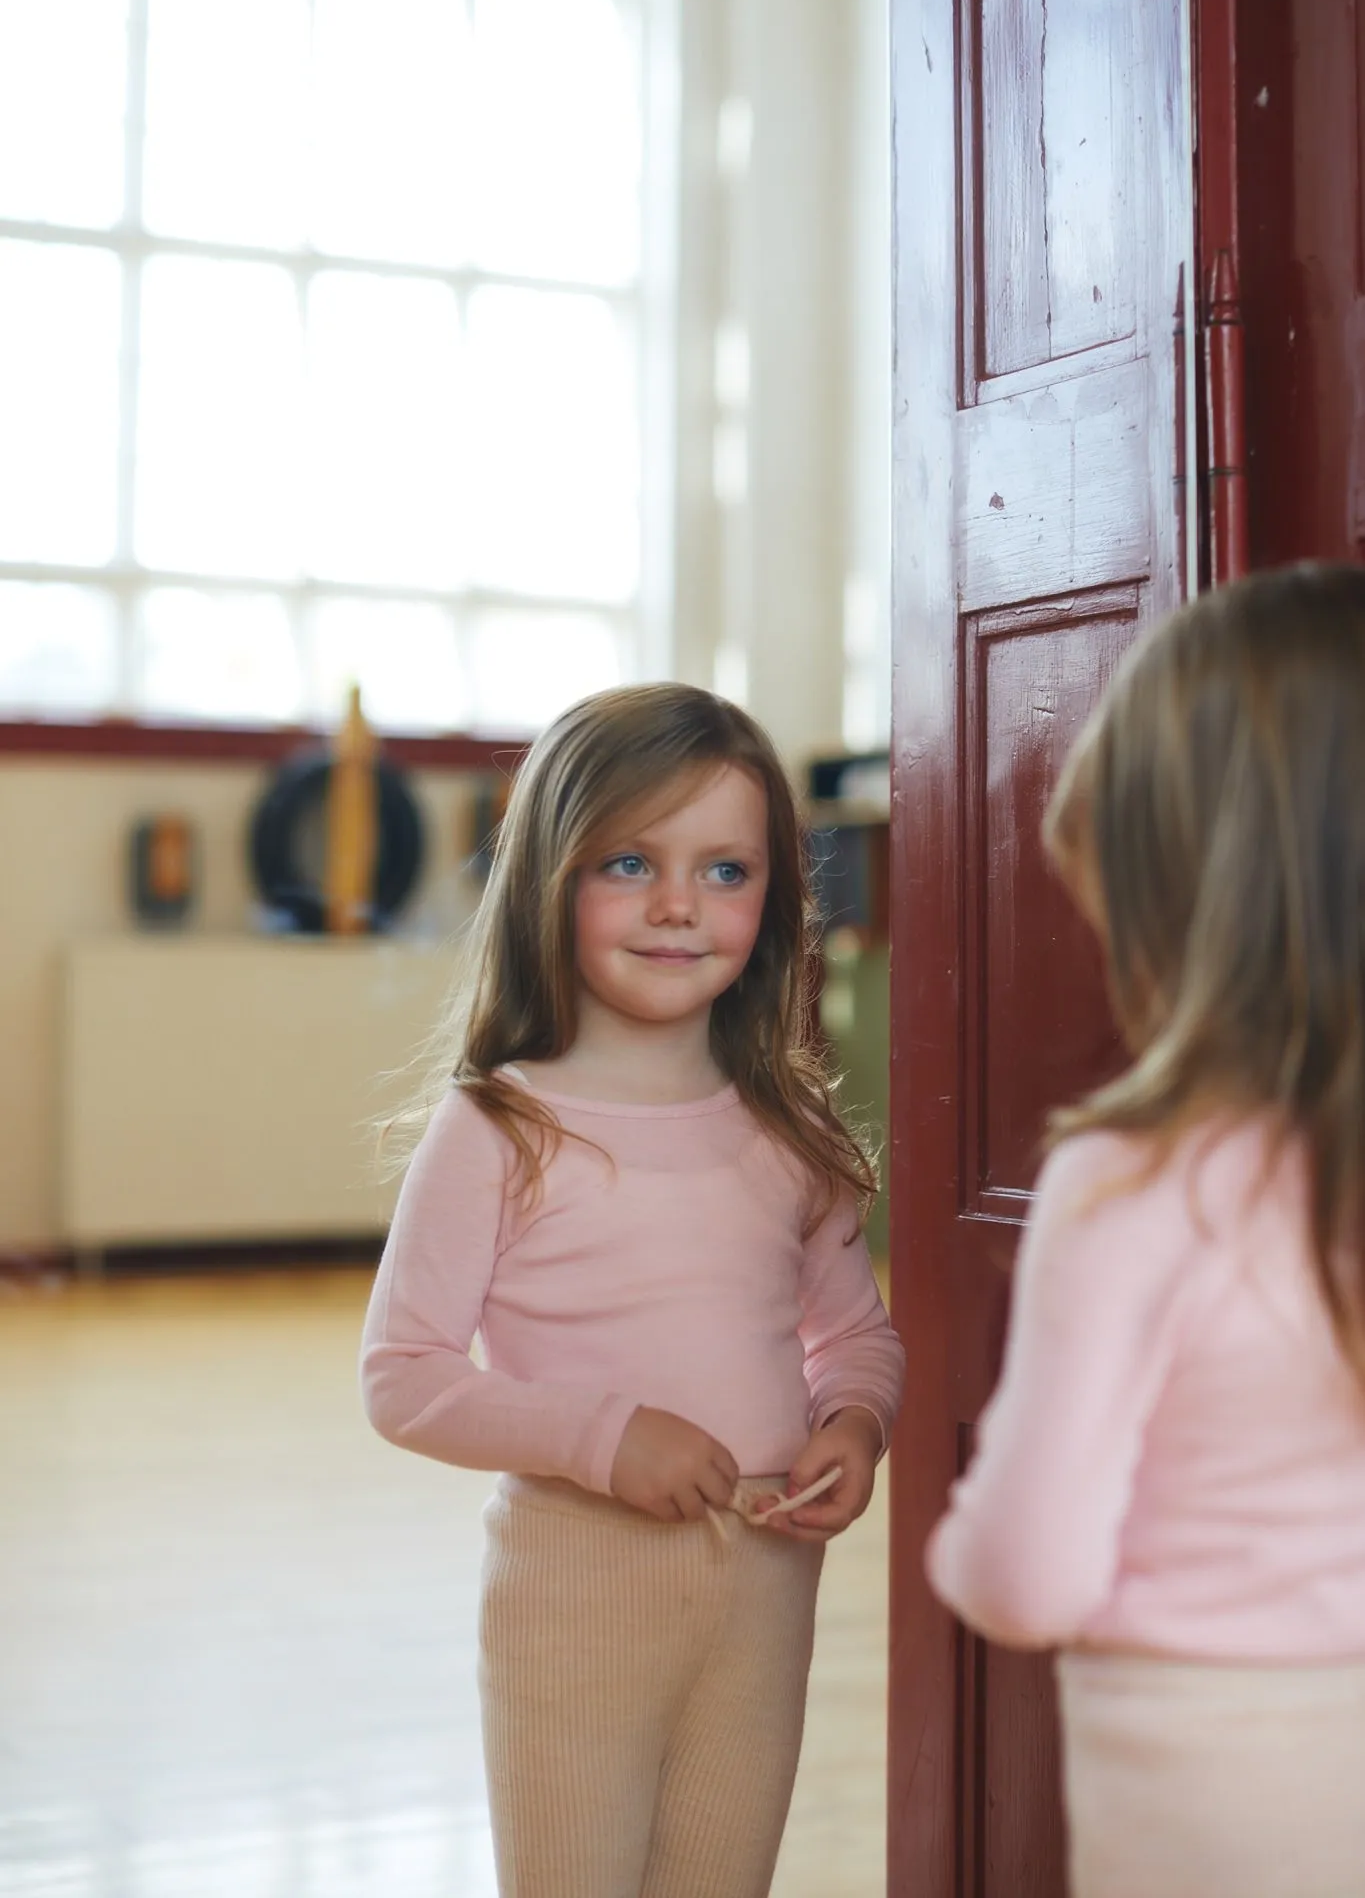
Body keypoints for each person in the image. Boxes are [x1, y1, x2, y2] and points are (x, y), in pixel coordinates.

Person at [361, 682, 904, 1898]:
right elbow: (402, 1376)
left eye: (725, 870)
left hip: (767, 1583)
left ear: (773, 901)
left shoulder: (790, 1124)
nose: (677, 904)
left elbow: (853, 1331)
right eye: (629, 861)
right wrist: (607, 1436)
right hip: (575, 1582)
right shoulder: (500, 1122)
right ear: (550, 875)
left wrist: (858, 1423)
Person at [925, 564, 1365, 1898]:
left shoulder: (1133, 1182)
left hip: (1210, 1781)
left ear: (1185, 901)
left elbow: (1030, 1575)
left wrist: (954, 1547)